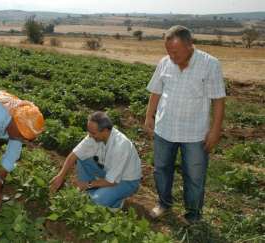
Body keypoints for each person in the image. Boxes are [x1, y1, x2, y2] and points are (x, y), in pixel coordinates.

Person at [144, 25, 226, 224]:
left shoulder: (210, 64)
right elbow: (156, 91)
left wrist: (215, 130)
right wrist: (149, 117)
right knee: (161, 169)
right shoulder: (164, 63)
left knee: (195, 175)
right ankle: (164, 203)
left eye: (175, 51)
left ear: (190, 46)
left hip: (195, 133)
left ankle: (193, 214)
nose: (171, 56)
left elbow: (218, 100)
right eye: (168, 51)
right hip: (165, 128)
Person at [50, 111, 142, 209]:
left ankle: (116, 202)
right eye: (89, 132)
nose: (90, 135)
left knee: (94, 204)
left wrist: (87, 184)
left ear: (105, 130)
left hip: (126, 181)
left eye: (93, 133)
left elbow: (112, 182)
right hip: (109, 173)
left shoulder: (121, 146)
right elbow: (75, 154)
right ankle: (92, 193)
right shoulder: (94, 136)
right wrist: (61, 175)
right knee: (81, 158)